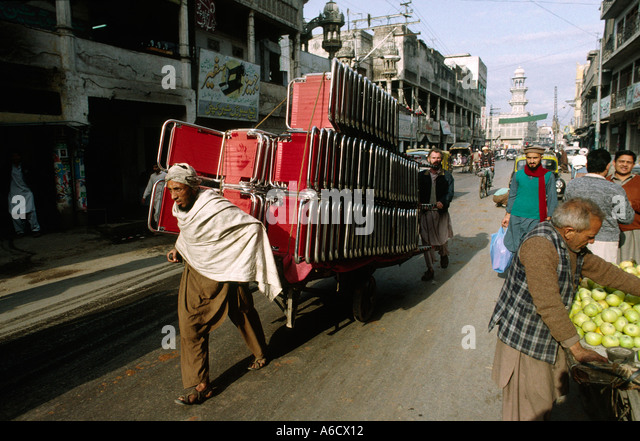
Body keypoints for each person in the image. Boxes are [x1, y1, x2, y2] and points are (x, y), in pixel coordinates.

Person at [489, 197, 640, 421]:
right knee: (528, 410)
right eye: (590, 236)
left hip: (548, 336)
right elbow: (549, 303)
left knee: (544, 400)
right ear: (570, 231)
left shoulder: (569, 243)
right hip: (527, 341)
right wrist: (577, 350)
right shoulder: (540, 246)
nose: (592, 241)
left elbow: (603, 271)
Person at [164, 163, 282, 406]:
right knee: (189, 324)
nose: (173, 196)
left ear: (193, 187)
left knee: (242, 310)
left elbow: (251, 227)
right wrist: (179, 246)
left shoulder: (215, 207)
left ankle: (260, 352)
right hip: (197, 269)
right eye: (170, 190)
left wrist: (240, 258)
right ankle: (200, 384)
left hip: (226, 267)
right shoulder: (181, 208)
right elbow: (189, 231)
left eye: (178, 189)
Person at [563, 149, 633, 264]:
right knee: (603, 278)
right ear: (607, 167)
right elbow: (624, 218)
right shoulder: (615, 189)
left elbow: (566, 212)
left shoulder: (572, 185)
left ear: (586, 165)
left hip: (576, 238)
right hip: (606, 242)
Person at [501, 145, 558, 254]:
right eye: (529, 158)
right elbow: (512, 195)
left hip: (536, 219)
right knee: (515, 248)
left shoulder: (548, 175)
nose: (532, 161)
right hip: (516, 217)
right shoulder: (518, 175)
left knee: (532, 250)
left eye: (535, 158)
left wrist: (550, 218)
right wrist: (508, 215)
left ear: (541, 158)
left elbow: (552, 198)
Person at [418, 149, 454, 281]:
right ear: (428, 159)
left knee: (442, 238)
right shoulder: (422, 176)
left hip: (441, 213)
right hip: (426, 213)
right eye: (433, 158)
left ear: (441, 159)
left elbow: (450, 193)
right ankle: (430, 269)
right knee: (426, 241)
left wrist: (443, 202)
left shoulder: (447, 176)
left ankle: (444, 254)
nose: (436, 160)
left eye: (438, 158)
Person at [607, 150, 640, 263]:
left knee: (631, 266)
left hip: (632, 231)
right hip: (608, 231)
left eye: (628, 162)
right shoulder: (606, 182)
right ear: (614, 162)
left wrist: (632, 204)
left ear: (633, 165)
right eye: (621, 161)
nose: (624, 165)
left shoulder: (638, 182)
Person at [7, 152, 41, 238]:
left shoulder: (25, 167)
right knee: (16, 213)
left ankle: (35, 229)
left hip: (26, 191)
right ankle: (20, 231)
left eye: (17, 155)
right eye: (14, 156)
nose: (15, 158)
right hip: (14, 191)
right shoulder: (8, 168)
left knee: (30, 211)